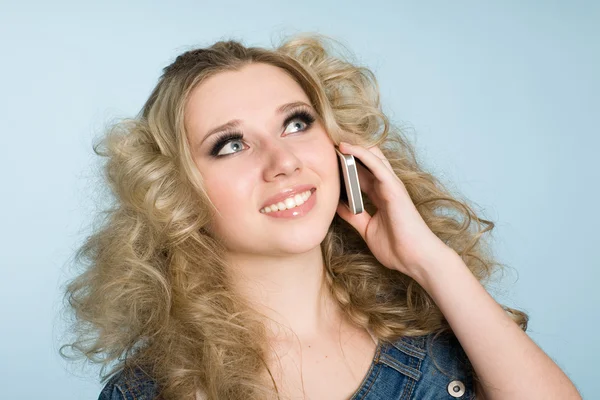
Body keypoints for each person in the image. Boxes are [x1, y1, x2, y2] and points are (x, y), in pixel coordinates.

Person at [62, 33, 581, 400]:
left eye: (296, 123)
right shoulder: (151, 392)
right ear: (173, 191)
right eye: (231, 144)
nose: (283, 161)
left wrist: (430, 262)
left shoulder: (430, 336)